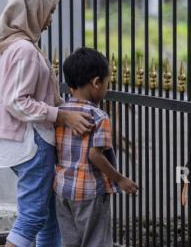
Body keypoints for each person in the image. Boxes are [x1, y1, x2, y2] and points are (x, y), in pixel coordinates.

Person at [0, 0, 94, 247]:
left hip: (23, 141)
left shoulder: (10, 45)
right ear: (33, 7)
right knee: (33, 217)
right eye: (48, 10)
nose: (50, 18)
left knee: (48, 216)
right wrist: (61, 115)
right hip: (31, 142)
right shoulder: (24, 50)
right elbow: (17, 101)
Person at [55, 47, 139, 247]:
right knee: (95, 242)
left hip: (62, 190)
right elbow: (94, 155)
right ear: (96, 83)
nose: (106, 89)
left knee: (70, 242)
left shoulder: (60, 113)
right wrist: (120, 179)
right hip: (90, 192)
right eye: (107, 84)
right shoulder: (99, 117)